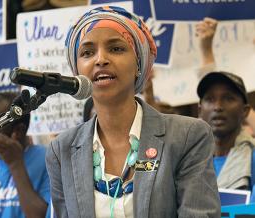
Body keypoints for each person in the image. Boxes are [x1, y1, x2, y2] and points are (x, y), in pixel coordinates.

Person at [46, 6, 220, 218]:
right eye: (87, 52)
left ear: (139, 63)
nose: (101, 59)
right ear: (77, 71)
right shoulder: (61, 150)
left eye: (116, 48)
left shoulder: (187, 136)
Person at [197, 71, 255, 190]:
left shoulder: (252, 158)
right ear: (200, 110)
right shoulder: (189, 162)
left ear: (245, 111)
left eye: (228, 98)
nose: (218, 107)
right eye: (210, 99)